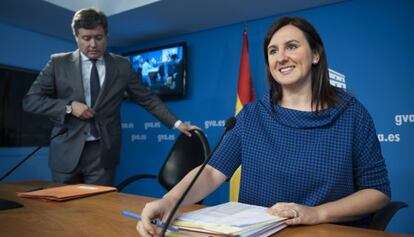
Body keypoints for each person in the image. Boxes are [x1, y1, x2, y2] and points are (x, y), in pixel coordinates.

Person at [136, 16, 391, 236]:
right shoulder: (252, 115)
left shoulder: (352, 114)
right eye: (273, 51)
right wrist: (169, 202)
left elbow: (377, 192)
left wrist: (316, 213)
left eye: (292, 46)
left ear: (315, 54)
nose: (282, 58)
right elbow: (212, 172)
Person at [22, 8, 197, 186]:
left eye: (98, 38)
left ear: (107, 36)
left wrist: (177, 123)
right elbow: (31, 100)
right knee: (62, 210)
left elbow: (147, 98)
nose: (93, 45)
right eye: (86, 38)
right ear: (76, 37)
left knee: (97, 208)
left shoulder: (122, 65)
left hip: (103, 153)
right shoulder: (58, 63)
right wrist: (69, 106)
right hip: (66, 151)